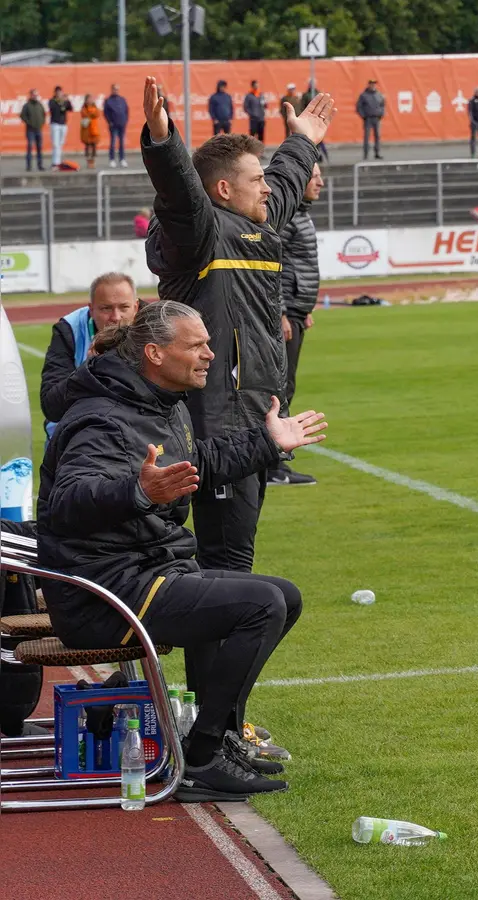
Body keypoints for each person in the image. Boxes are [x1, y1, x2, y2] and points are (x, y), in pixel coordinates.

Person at [36, 300, 326, 801]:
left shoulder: (156, 402)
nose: (211, 355)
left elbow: (196, 463)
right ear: (154, 353)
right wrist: (139, 491)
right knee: (261, 606)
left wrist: (268, 442)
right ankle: (201, 755)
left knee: (285, 596)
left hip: (146, 570)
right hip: (105, 592)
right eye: (197, 345)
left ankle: (221, 742)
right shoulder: (101, 417)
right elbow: (67, 503)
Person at [139, 75, 329, 574]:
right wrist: (163, 142)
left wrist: (303, 140)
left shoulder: (256, 225)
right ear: (223, 190)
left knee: (230, 564)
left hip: (253, 421)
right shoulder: (200, 233)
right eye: (255, 179)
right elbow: (181, 196)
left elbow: (286, 182)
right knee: (227, 567)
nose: (268, 187)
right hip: (216, 426)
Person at [39, 272, 141, 436]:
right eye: (106, 308)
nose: (115, 317)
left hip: (135, 436)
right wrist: (88, 370)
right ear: (91, 309)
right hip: (75, 439)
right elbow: (51, 407)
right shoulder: (69, 330)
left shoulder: (153, 326)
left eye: (124, 307)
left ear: (136, 308)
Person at [273, 163, 322, 487]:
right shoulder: (288, 216)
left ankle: (276, 464)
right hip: (285, 315)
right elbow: (271, 264)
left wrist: (302, 309)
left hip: (295, 312)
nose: (320, 182)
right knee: (279, 390)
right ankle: (274, 466)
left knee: (285, 387)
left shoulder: (299, 214)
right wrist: (280, 312)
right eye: (314, 176)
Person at [357, 79, 385, 160]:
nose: (373, 85)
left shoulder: (379, 94)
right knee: (367, 137)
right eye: (371, 84)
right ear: (368, 85)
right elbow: (359, 107)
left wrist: (381, 114)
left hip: (377, 118)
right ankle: (366, 154)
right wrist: (363, 116)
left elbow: (382, 105)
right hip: (368, 118)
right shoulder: (364, 95)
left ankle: (377, 152)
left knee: (377, 136)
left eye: (374, 84)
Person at [104, 84, 129, 168]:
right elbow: (105, 113)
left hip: (122, 124)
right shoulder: (108, 100)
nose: (116, 90)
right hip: (113, 125)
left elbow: (126, 111)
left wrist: (125, 120)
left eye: (117, 89)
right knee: (113, 142)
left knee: (122, 142)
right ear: (112, 89)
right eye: (114, 89)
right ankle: (112, 160)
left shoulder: (122, 100)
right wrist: (109, 121)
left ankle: (122, 159)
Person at [48, 87, 74, 169]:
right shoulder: (52, 101)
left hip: (63, 124)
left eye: (61, 92)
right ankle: (55, 163)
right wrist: (59, 102)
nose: (59, 94)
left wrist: (67, 101)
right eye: (58, 93)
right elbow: (53, 108)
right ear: (55, 93)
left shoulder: (64, 101)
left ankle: (58, 161)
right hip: (55, 124)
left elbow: (70, 109)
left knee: (61, 143)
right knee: (56, 144)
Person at [21, 89, 46, 172]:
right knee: (30, 147)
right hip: (30, 130)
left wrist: (42, 123)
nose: (35, 96)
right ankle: (28, 166)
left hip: (38, 129)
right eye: (34, 95)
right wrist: (29, 123)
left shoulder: (39, 105)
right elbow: (23, 116)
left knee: (39, 148)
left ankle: (40, 165)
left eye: (36, 95)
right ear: (31, 95)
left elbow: (43, 114)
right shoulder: (27, 105)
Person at [79, 95, 102, 169]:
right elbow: (84, 114)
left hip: (94, 131)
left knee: (94, 147)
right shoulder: (84, 108)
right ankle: (88, 162)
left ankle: (93, 162)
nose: (90, 101)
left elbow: (97, 114)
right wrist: (91, 114)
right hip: (86, 131)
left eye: (91, 99)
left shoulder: (95, 108)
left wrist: (91, 114)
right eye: (88, 99)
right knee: (88, 147)